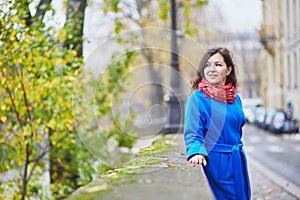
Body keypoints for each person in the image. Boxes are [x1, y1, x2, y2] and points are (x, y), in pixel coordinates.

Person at [184, 47, 251, 200]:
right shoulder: (198, 98)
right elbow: (193, 133)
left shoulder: (236, 99)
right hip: (216, 165)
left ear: (228, 70)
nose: (212, 69)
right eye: (207, 65)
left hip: (237, 161)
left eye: (218, 65)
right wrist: (196, 152)